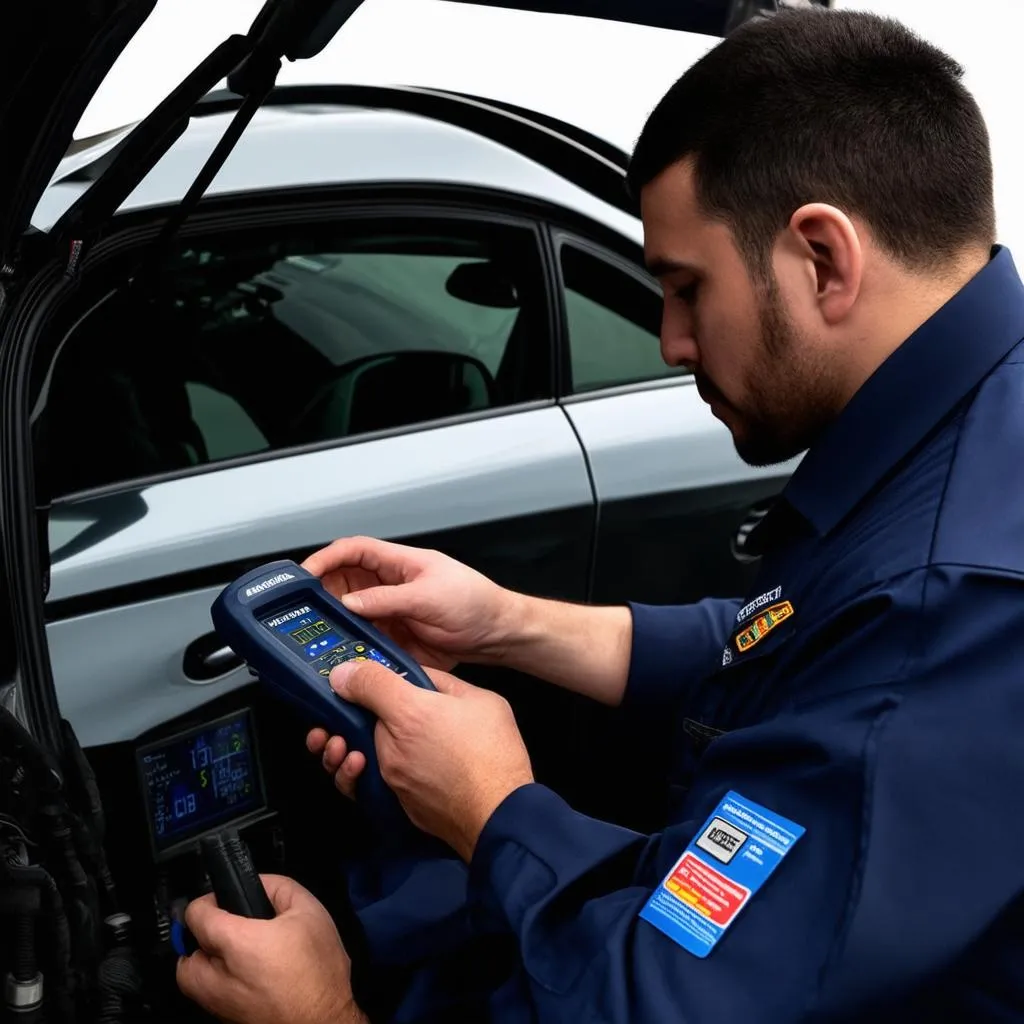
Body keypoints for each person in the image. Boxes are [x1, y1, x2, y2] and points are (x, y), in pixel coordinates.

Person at [175, 7, 1024, 1022]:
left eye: (682, 287)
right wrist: (508, 622)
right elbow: (803, 641)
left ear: (823, 260)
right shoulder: (970, 445)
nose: (666, 339)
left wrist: (478, 825)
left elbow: (669, 1002)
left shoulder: (952, 601)